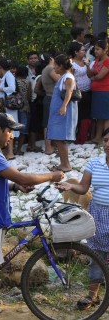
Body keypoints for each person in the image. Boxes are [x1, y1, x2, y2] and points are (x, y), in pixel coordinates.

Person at [0, 113, 63, 320]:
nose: (12, 136)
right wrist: (51, 176)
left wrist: (15, 186)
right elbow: (23, 176)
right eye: (9, 131)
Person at [55, 127, 109, 310]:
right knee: (96, 255)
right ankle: (92, 296)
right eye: (106, 140)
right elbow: (83, 188)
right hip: (99, 215)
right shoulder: (94, 164)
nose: (108, 144)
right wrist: (69, 186)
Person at [46, 55, 78, 172]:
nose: (53, 67)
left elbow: (69, 92)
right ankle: (63, 163)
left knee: (61, 138)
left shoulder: (68, 77)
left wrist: (64, 106)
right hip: (58, 112)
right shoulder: (63, 77)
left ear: (61, 66)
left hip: (63, 112)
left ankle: (66, 164)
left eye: (55, 65)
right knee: (58, 138)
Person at [69, 41, 93, 143]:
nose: (84, 52)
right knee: (78, 114)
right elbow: (71, 77)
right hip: (78, 92)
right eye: (83, 50)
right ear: (76, 52)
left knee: (87, 114)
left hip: (88, 90)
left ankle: (84, 136)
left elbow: (90, 75)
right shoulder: (71, 63)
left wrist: (87, 65)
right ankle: (75, 136)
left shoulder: (85, 61)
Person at [91, 39, 109, 144]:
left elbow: (99, 76)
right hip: (97, 91)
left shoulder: (107, 61)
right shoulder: (97, 60)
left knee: (106, 115)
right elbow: (92, 73)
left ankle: (106, 138)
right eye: (95, 49)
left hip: (105, 91)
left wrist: (93, 77)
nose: (96, 51)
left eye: (98, 49)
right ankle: (98, 137)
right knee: (99, 116)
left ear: (105, 49)